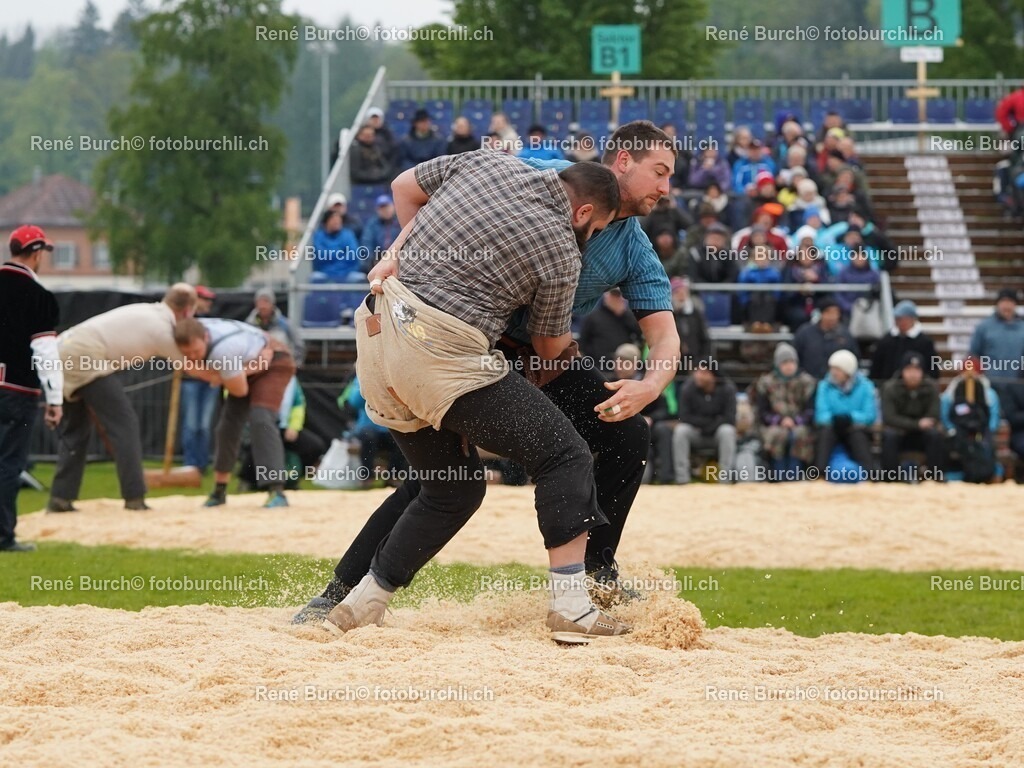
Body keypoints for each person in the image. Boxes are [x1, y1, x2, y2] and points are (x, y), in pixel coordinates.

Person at [293, 121, 681, 626]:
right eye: (660, 172)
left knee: (625, 433)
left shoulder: (630, 244)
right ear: (622, 162)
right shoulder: (544, 179)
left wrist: (650, 385)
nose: (666, 188)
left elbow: (665, 336)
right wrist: (402, 252)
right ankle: (341, 590)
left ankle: (593, 578)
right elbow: (409, 190)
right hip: (469, 342)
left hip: (530, 349)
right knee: (446, 478)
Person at [48, 284, 197, 513]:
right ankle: (134, 497)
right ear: (187, 311)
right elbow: (192, 367)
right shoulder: (162, 329)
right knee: (124, 424)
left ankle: (60, 498)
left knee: (76, 431)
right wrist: (229, 374)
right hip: (84, 354)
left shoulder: (147, 311)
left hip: (61, 350)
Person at [174, 317, 297, 508]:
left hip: (274, 361)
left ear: (206, 337)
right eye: (186, 353)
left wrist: (214, 375)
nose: (192, 356)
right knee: (226, 427)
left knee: (261, 419)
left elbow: (240, 391)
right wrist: (247, 369)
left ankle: (277, 490)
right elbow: (207, 373)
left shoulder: (224, 350)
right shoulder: (187, 331)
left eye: (196, 351)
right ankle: (219, 490)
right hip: (249, 362)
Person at [0, 225, 63, 552]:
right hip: (16, 391)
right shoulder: (39, 297)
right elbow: (46, 354)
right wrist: (55, 399)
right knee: (9, 464)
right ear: (37, 253)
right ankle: (3, 536)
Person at [752, 342, 817, 477]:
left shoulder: (807, 382)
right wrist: (780, 420)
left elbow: (810, 410)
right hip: (774, 424)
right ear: (778, 364)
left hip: (800, 423)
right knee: (778, 435)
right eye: (785, 362)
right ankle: (778, 476)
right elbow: (762, 412)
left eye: (792, 362)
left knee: (798, 435)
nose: (789, 366)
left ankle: (795, 475)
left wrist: (796, 421)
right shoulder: (766, 383)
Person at [881, 352, 944, 480]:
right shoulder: (890, 388)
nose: (913, 374)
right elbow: (889, 417)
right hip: (900, 432)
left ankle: (935, 477)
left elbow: (934, 415)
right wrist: (917, 424)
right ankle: (891, 478)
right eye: (909, 369)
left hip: (922, 434)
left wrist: (921, 425)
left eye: (917, 370)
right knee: (889, 435)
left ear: (922, 372)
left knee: (935, 435)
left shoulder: (931, 387)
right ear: (902, 371)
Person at [814, 349, 877, 474]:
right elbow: (820, 414)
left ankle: (869, 474)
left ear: (848, 371)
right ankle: (819, 473)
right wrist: (834, 419)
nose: (833, 372)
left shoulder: (866, 386)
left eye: (837, 369)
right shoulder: (824, 386)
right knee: (825, 434)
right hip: (831, 426)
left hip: (855, 427)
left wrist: (850, 418)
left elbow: (870, 415)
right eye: (832, 368)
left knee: (858, 436)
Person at [673, 365, 737, 484]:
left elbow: (730, 418)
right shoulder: (688, 388)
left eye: (703, 372)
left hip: (717, 435)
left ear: (713, 375)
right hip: (697, 433)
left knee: (727, 431)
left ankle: (725, 479)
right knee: (681, 430)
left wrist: (710, 425)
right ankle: (682, 479)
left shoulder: (727, 389)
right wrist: (710, 422)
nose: (697, 375)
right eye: (697, 371)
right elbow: (684, 417)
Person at [179, 285, 218, 472]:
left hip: (211, 379)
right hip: (190, 380)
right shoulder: (185, 322)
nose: (209, 303)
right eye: (205, 299)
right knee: (191, 423)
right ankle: (190, 462)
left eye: (210, 300)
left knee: (204, 425)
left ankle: (201, 464)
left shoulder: (213, 323)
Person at [345, 375, 406, 483]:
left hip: (389, 427)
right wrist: (368, 383)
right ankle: (367, 477)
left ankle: (393, 476)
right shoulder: (363, 375)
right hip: (368, 427)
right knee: (369, 437)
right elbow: (354, 402)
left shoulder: (394, 376)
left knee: (403, 438)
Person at [968, 287, 1024, 398]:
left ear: (1015, 305)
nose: (1006, 306)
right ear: (998, 304)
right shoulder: (984, 327)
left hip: (1018, 385)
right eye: (1003, 301)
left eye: (1010, 302)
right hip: (991, 385)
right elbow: (974, 355)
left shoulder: (1022, 327)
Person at [870, 300, 939, 381]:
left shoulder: (925, 342)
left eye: (903, 319)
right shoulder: (886, 341)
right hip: (887, 388)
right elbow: (876, 366)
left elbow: (933, 368)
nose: (900, 322)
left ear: (913, 319)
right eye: (897, 319)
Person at [578, 288, 644, 373]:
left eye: (618, 296)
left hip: (623, 368)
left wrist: (623, 314)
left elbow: (640, 334)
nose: (615, 299)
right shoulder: (593, 317)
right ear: (606, 296)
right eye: (613, 295)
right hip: (598, 366)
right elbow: (583, 342)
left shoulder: (628, 317)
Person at [792, 298, 859, 379]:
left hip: (838, 385)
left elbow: (855, 358)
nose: (832, 317)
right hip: (809, 383)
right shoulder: (805, 333)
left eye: (835, 313)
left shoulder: (845, 335)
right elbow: (794, 356)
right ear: (821, 313)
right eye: (828, 312)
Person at [246, 288, 305, 365]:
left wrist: (293, 365)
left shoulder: (285, 325)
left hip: (281, 368)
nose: (262, 306)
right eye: (260, 302)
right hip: (256, 369)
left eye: (266, 301)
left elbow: (298, 346)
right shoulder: (248, 326)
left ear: (272, 304)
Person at [737, 243, 782, 329]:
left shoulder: (774, 273)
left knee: (768, 298)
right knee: (755, 297)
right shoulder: (747, 273)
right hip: (752, 302)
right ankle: (755, 323)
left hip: (769, 302)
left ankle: (766, 324)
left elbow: (777, 292)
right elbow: (743, 291)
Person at [311, 208, 364, 281]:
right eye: (333, 219)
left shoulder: (348, 234)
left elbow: (353, 255)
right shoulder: (318, 236)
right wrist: (341, 253)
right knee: (315, 277)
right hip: (325, 272)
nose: (337, 221)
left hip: (347, 273)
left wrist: (333, 255)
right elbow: (321, 256)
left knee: (360, 277)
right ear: (326, 221)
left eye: (338, 219)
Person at [671, 276, 711, 367]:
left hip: (696, 359)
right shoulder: (669, 315)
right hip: (675, 361)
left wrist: (703, 361)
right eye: (677, 292)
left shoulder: (695, 313)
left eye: (683, 292)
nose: (681, 296)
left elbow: (705, 338)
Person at [360, 195, 402, 267]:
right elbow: (366, 243)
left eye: (387, 207)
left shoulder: (400, 221)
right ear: (377, 210)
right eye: (382, 208)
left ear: (393, 206)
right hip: (378, 259)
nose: (385, 210)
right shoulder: (372, 224)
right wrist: (373, 260)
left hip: (398, 258)